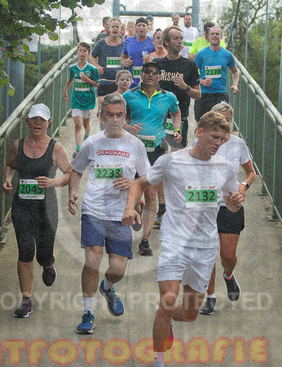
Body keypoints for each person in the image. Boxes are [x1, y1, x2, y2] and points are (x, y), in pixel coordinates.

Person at [122, 111, 246, 367]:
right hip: (175, 243)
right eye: (214, 137)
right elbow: (139, 183)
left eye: (222, 139)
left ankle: (164, 318)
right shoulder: (172, 161)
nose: (218, 143)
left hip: (204, 247)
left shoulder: (226, 167)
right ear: (199, 131)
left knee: (190, 314)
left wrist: (236, 202)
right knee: (168, 301)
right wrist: (130, 207)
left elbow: (231, 203)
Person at [68, 93, 150, 334]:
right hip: (93, 210)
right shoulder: (92, 142)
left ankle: (107, 286)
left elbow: (147, 177)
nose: (114, 119)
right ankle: (88, 313)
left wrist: (132, 184)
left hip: (121, 213)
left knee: (117, 269)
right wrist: (72, 192)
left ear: (125, 117)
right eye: (110, 115)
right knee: (92, 260)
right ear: (101, 116)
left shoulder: (135, 145)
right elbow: (77, 170)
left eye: (119, 115)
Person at [2, 104, 73, 318]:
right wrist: (7, 179)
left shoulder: (56, 148)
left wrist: (53, 182)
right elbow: (11, 165)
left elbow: (70, 174)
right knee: (25, 250)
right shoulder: (17, 145)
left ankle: (48, 263)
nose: (38, 123)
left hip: (46, 208)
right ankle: (26, 300)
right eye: (34, 119)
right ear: (27, 121)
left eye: (42, 119)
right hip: (22, 205)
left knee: (42, 253)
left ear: (49, 123)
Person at [198, 103, 256, 315]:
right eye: (219, 120)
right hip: (206, 204)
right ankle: (210, 297)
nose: (223, 124)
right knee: (208, 254)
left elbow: (251, 172)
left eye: (228, 120)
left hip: (231, 204)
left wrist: (243, 188)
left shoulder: (238, 144)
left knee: (227, 256)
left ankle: (229, 275)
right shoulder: (201, 142)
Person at [122, 61, 182, 256]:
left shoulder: (168, 96)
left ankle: (145, 241)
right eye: (147, 72)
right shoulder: (129, 95)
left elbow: (176, 112)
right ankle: (136, 207)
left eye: (154, 72)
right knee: (132, 190)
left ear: (159, 76)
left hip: (156, 149)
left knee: (150, 194)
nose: (150, 75)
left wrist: (177, 129)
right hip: (133, 151)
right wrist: (127, 127)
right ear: (141, 74)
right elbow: (114, 116)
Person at [153, 25, 201, 226]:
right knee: (159, 165)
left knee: (177, 165)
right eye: (176, 38)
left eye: (181, 38)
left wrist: (185, 87)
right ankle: (162, 207)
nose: (180, 41)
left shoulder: (189, 65)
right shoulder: (156, 64)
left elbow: (198, 94)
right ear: (166, 42)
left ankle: (176, 208)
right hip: (156, 120)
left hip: (179, 120)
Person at [193, 26, 240, 122]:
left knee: (221, 123)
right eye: (212, 34)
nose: (215, 36)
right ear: (208, 37)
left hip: (220, 94)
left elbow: (235, 72)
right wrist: (202, 81)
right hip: (203, 93)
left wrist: (235, 85)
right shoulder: (201, 54)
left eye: (217, 34)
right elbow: (192, 73)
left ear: (221, 36)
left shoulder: (227, 55)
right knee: (201, 123)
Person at [63, 42, 100, 156]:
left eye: (84, 51)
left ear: (88, 54)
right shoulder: (72, 67)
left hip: (88, 99)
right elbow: (71, 78)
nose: (82, 53)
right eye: (80, 50)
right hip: (76, 99)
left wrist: (87, 80)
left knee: (86, 124)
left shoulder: (92, 69)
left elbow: (97, 84)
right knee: (77, 125)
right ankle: (78, 149)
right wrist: (65, 89)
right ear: (77, 52)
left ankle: (86, 139)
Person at [91, 18, 125, 101]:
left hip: (118, 81)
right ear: (109, 28)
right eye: (113, 27)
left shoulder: (124, 44)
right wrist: (97, 66)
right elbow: (92, 56)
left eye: (117, 27)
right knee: (102, 105)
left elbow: (128, 57)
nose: (115, 29)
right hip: (104, 80)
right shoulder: (101, 43)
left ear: (120, 29)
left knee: (118, 106)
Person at [121, 17, 155, 88]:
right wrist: (125, 62)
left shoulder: (153, 42)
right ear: (135, 28)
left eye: (143, 26)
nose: (141, 28)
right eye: (139, 25)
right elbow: (123, 57)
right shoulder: (128, 41)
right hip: (131, 81)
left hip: (148, 80)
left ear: (147, 28)